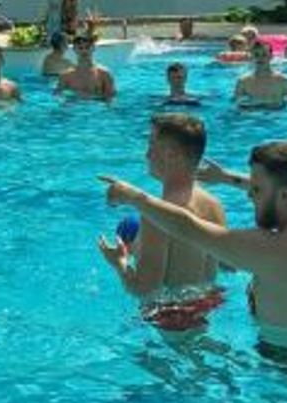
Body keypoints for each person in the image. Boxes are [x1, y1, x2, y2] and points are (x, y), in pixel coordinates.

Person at [103, 139, 287, 350]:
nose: (249, 195)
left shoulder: (275, 248)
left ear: (285, 195)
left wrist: (133, 196)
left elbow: (188, 227)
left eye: (257, 189)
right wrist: (228, 178)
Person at [97, 113, 227, 331]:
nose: (146, 154)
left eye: (151, 145)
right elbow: (226, 264)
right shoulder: (214, 204)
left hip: (172, 319)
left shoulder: (157, 216)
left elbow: (145, 290)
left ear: (171, 154)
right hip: (209, 305)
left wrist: (119, 263)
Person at [232, 39, 287, 110]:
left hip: (277, 115)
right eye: (256, 55)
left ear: (271, 56)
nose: (260, 58)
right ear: (251, 57)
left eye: (264, 55)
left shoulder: (285, 81)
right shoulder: (243, 82)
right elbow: (236, 105)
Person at [56, 34, 116, 101]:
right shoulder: (66, 76)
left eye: (87, 47)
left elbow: (111, 99)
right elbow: (58, 97)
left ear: (93, 48)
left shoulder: (104, 74)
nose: (84, 51)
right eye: (80, 48)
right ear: (74, 50)